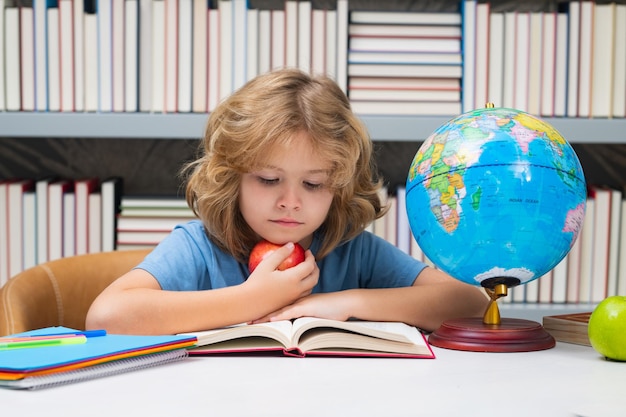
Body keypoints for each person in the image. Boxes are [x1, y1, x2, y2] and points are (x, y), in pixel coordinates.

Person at [86, 68, 488, 335]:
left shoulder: (351, 251)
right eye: (268, 179)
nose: (290, 202)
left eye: (314, 184)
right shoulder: (199, 247)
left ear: (339, 187)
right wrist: (251, 300)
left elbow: (469, 302)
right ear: (233, 178)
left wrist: (343, 302)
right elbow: (107, 316)